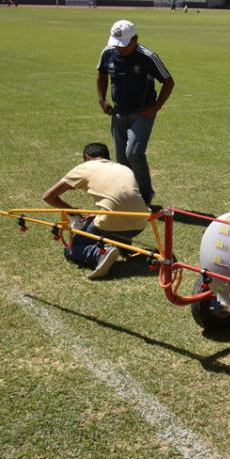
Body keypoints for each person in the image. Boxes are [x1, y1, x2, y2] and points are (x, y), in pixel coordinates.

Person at [43, 143, 150, 279]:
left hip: (110, 223)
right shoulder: (123, 168)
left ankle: (100, 253)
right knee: (109, 219)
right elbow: (123, 199)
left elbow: (48, 196)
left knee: (72, 248)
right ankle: (124, 246)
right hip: (140, 222)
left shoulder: (85, 167)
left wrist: (73, 212)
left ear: (87, 157)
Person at [96, 19, 174, 207]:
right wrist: (102, 99)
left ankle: (146, 193)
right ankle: (129, 195)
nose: (119, 49)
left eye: (124, 45)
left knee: (134, 153)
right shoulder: (108, 52)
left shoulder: (148, 57)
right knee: (121, 159)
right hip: (118, 112)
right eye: (117, 45)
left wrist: (156, 107)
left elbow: (168, 81)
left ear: (135, 39)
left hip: (142, 112)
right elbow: (102, 74)